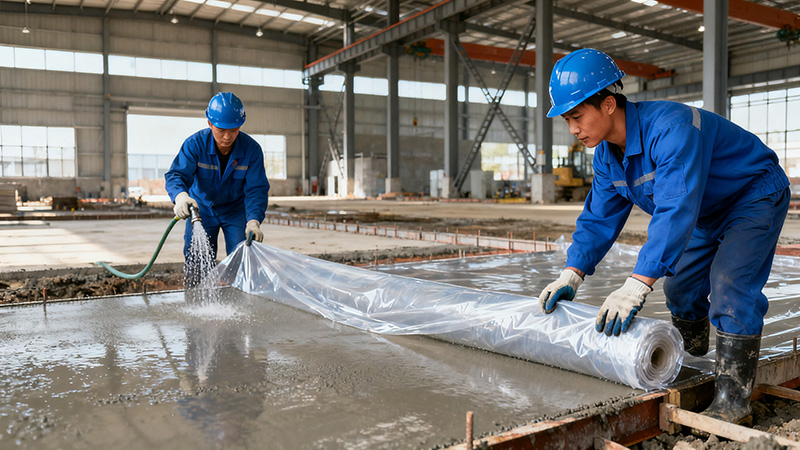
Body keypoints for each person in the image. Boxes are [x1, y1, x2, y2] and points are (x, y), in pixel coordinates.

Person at [537, 49, 790, 424]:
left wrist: (636, 284)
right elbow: (598, 218)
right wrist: (572, 273)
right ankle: (690, 357)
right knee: (680, 290)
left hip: (752, 195)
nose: (572, 129)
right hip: (704, 210)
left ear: (608, 104)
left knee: (728, 286)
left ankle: (733, 400)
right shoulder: (606, 156)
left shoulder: (672, 128)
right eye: (567, 119)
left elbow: (674, 210)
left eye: (576, 116)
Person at [165, 92, 270, 284]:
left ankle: (241, 303)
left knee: (243, 257)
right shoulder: (194, 145)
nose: (227, 137)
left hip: (236, 212)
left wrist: (253, 221)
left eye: (234, 129)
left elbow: (256, 190)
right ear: (210, 123)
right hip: (202, 209)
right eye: (221, 130)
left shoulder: (251, 150)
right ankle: (197, 301)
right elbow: (177, 175)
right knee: (197, 260)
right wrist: (180, 196)